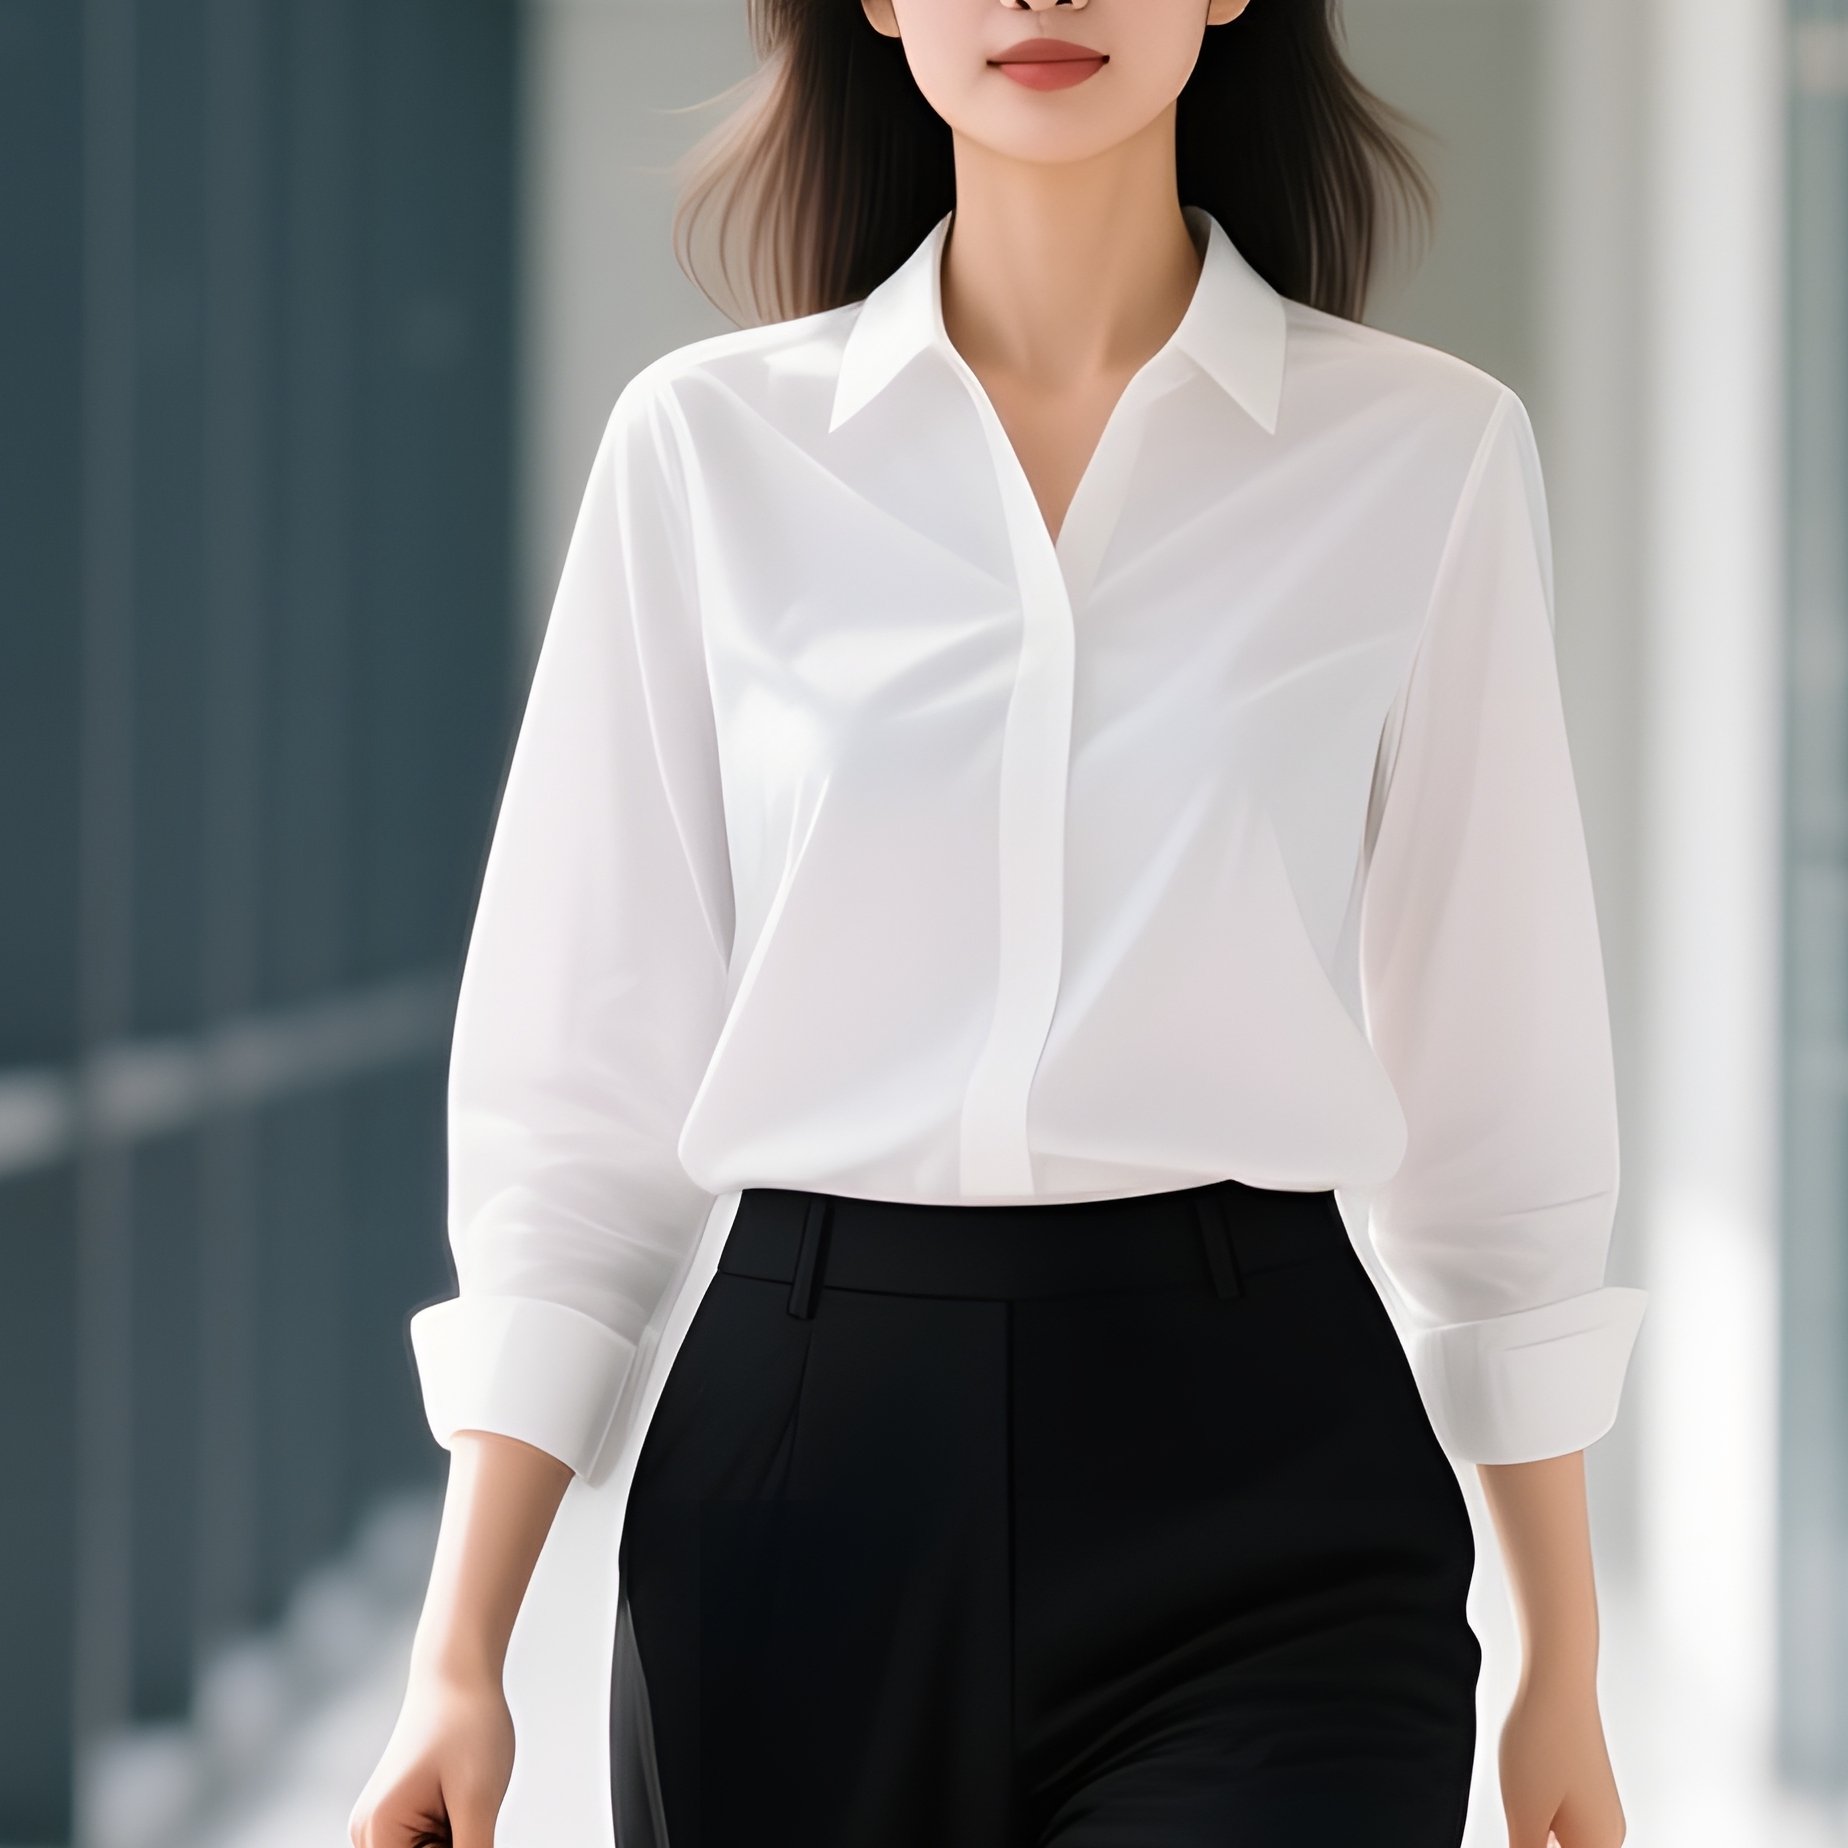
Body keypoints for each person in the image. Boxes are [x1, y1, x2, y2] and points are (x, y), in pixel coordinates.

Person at [350, 1, 1647, 1844]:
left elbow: (1502, 1095)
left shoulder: (1422, 458)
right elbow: (581, 1097)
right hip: (802, 1491)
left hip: (1267, 1484)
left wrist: (1561, 1660)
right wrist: (458, 1651)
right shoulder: (708, 454)